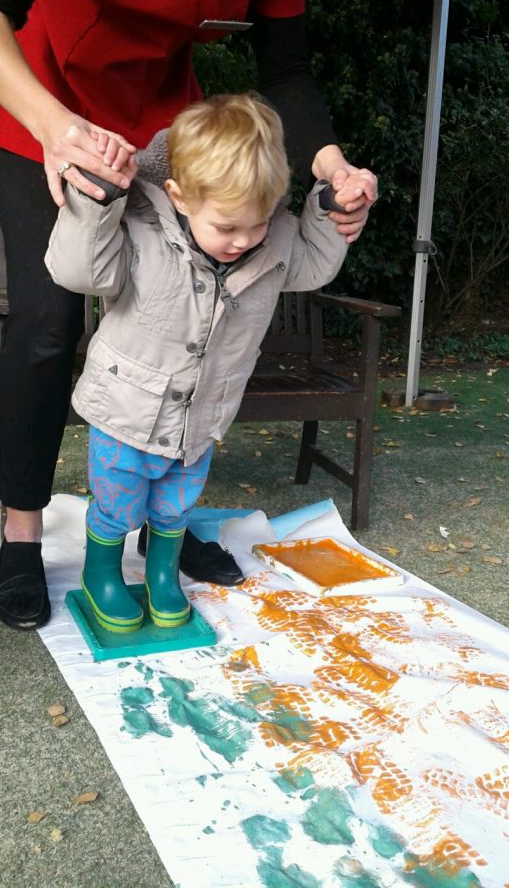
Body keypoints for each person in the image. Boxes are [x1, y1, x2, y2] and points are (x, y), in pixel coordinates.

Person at [0, 0, 378, 632]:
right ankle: (22, 530)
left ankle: (164, 532)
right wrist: (56, 128)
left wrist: (331, 167)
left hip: (163, 127)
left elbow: (285, 68)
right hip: (43, 105)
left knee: (207, 302)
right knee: (49, 320)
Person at [45, 93, 348, 631]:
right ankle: (101, 575)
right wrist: (98, 201)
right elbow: (79, 272)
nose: (243, 240)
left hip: (201, 416)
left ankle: (163, 575)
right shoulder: (140, 225)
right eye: (227, 227)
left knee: (175, 506)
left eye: (258, 223)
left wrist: (329, 209)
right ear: (180, 197)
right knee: (117, 503)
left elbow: (314, 266)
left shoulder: (273, 238)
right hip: (124, 410)